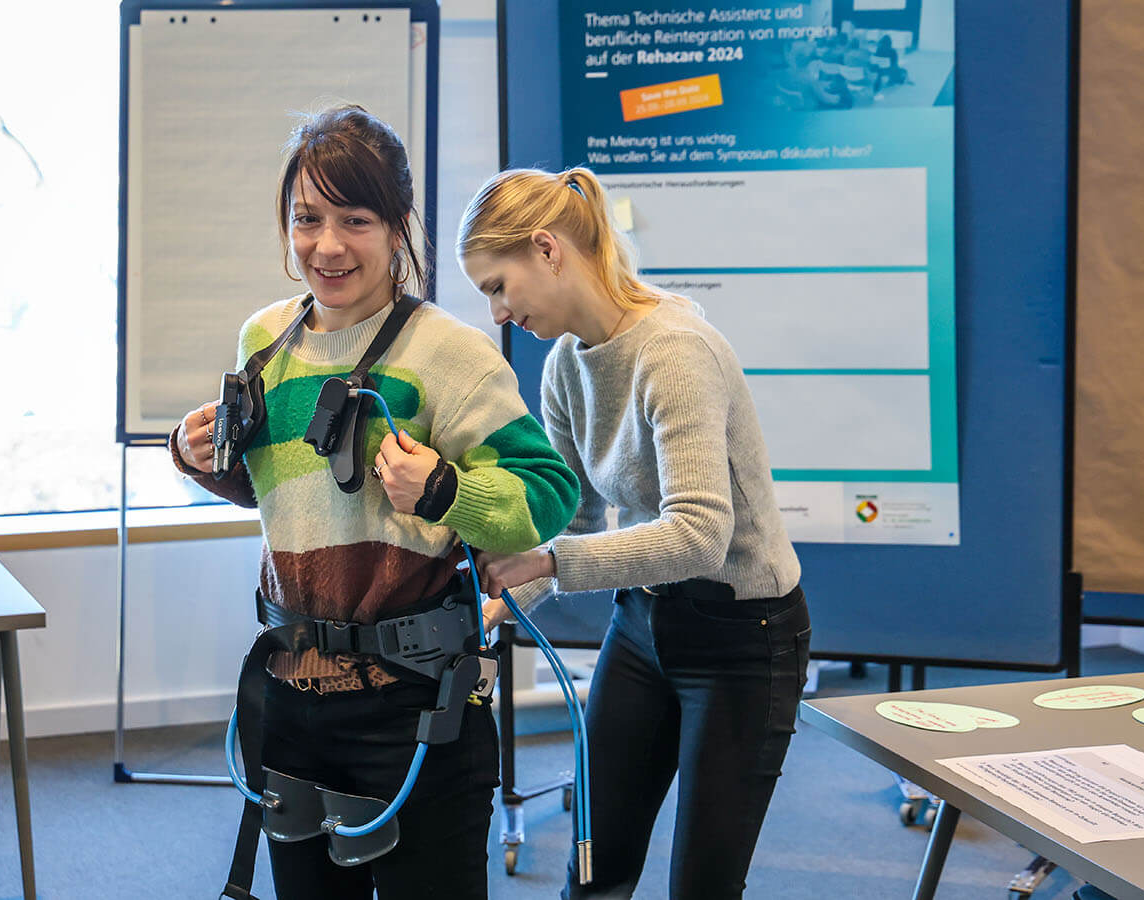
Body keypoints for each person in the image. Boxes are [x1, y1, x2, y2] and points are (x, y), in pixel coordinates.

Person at [170, 106, 579, 900]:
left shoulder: (450, 355)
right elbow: (287, 495)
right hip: (292, 692)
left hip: (415, 706)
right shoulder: (264, 340)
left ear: (397, 229)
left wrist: (445, 489)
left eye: (354, 220)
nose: (326, 245)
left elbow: (548, 495)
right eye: (306, 218)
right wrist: (202, 460)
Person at [457, 167, 810, 900]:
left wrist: (546, 562)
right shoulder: (562, 366)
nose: (495, 311)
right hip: (644, 625)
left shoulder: (675, 350)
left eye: (497, 285)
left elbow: (698, 536)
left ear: (546, 249)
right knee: (593, 867)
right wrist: (500, 599)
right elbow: (574, 520)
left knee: (700, 888)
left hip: (744, 636)